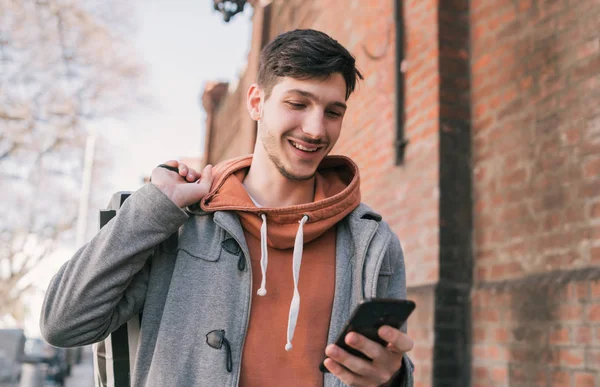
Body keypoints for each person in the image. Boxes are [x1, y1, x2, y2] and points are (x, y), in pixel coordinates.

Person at [40, 29, 414, 387]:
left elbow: (382, 366)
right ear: (256, 103)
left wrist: (391, 379)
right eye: (297, 104)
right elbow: (64, 324)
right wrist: (153, 208)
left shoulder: (373, 242)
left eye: (333, 112)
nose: (316, 129)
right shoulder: (181, 222)